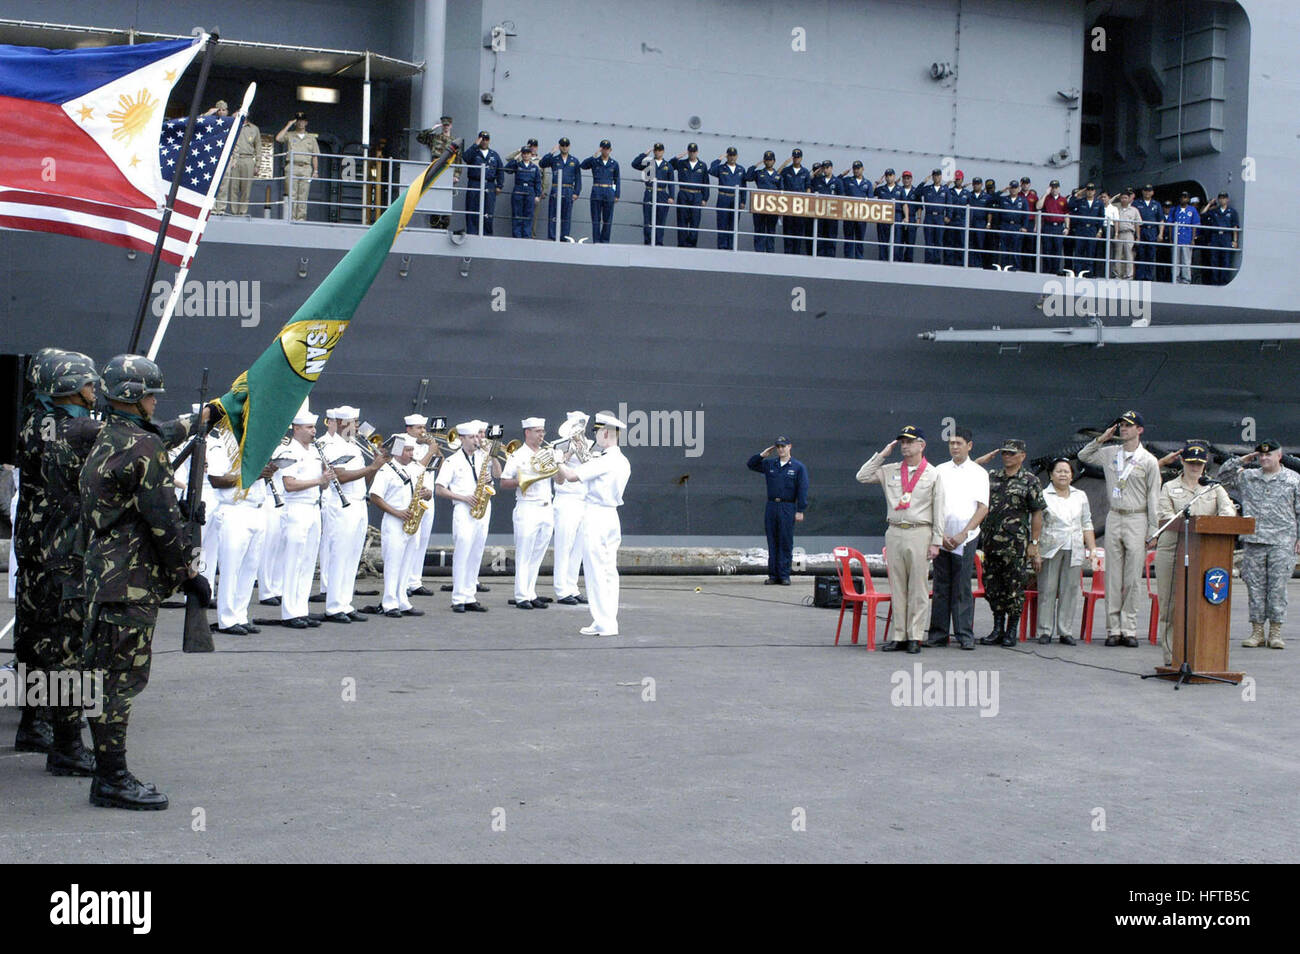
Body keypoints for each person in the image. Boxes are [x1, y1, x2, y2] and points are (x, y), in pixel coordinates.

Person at [80, 354, 210, 810]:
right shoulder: (145, 448)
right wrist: (189, 575)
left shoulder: (106, 436)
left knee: (100, 675)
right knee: (120, 681)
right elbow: (164, 523)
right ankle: (112, 779)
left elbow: (161, 434)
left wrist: (204, 417)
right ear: (136, 398)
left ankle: (104, 772)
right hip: (131, 582)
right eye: (152, 393)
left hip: (101, 575)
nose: (157, 400)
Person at [856, 425, 945, 653]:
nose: (904, 446)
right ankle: (899, 635)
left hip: (920, 531)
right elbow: (862, 476)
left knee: (918, 586)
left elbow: (939, 509)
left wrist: (936, 540)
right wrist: (883, 454)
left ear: (921, 445)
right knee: (897, 585)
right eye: (902, 442)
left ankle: (915, 635)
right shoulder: (891, 470)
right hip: (895, 530)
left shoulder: (933, 474)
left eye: (909, 441)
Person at [1078, 410, 1161, 647]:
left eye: (1129, 426)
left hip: (1137, 517)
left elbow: (1154, 496)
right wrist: (1102, 438)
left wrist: (1153, 531)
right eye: (1121, 425)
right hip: (1115, 515)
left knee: (1133, 577)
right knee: (1112, 576)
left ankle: (1130, 628)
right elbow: (1084, 455)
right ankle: (1113, 629)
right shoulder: (1109, 453)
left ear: (1140, 430)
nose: (1124, 429)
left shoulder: (1148, 461)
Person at [1153, 442, 1235, 664]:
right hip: (1172, 548)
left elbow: (1228, 511)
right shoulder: (1169, 487)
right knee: (1170, 606)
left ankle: (1199, 653)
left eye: (1199, 464)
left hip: (1205, 552)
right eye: (1191, 463)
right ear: (1182, 462)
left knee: (1201, 604)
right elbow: (1165, 515)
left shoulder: (1213, 487)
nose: (1195, 468)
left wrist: (1214, 524)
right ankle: (1172, 656)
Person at [1218, 440, 1300, 650]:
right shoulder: (1248, 476)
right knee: (1255, 588)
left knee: (1277, 588)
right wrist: (1242, 459)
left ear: (1279, 456)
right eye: (1260, 455)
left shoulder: (1293, 479)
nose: (1264, 458)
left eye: (1268, 455)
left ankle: (1275, 631)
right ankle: (1256, 631)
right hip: (1254, 540)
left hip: (1282, 542)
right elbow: (1223, 477)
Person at [556, 413, 631, 636]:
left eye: (597, 431)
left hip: (596, 515)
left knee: (596, 571)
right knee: (608, 571)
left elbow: (570, 476)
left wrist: (558, 458)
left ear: (605, 433)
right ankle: (608, 620)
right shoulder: (621, 460)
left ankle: (603, 622)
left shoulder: (605, 460)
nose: (595, 435)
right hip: (611, 517)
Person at [974, 439, 1045, 646]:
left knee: (1014, 588)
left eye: (1012, 453)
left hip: (1016, 545)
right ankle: (997, 628)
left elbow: (1037, 513)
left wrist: (1034, 543)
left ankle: (1011, 629)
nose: (1007, 457)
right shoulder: (991, 477)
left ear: (1022, 456)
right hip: (990, 544)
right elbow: (966, 472)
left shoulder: (1030, 480)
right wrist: (981, 460)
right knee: (993, 586)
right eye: (1004, 453)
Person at [320, 406, 387, 622]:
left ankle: (345, 603)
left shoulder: (355, 445)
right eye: (353, 422)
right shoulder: (331, 445)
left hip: (358, 502)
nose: (357, 426)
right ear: (341, 423)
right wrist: (371, 468)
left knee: (352, 555)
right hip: (340, 504)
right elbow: (339, 476)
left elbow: (362, 480)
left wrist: (375, 468)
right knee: (339, 555)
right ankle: (333, 606)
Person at [924, 427, 989, 650]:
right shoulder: (939, 470)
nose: (954, 447)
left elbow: (983, 508)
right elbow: (931, 504)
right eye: (951, 443)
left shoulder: (979, 473)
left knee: (962, 586)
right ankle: (938, 634)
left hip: (967, 537)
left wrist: (963, 533)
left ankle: (964, 634)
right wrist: (940, 535)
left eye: (958, 443)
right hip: (942, 536)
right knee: (941, 585)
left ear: (969, 446)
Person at [206, 426, 274, 635]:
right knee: (231, 568)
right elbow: (216, 480)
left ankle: (240, 614)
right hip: (234, 510)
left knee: (250, 567)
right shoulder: (221, 447)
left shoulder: (256, 448)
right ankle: (226, 619)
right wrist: (251, 474)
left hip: (256, 508)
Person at [278, 406, 334, 629]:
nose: (314, 431)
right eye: (310, 427)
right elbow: (289, 484)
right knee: (294, 561)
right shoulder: (289, 451)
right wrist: (318, 481)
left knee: (309, 561)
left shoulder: (314, 452)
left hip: (313, 507)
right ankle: (290, 612)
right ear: (297, 428)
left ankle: (302, 608)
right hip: (296, 509)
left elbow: (323, 484)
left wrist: (327, 478)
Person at [435, 421, 498, 612]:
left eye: (476, 436)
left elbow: (498, 474)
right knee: (462, 551)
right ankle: (458, 598)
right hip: (463, 508)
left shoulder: (483, 457)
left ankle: (470, 595)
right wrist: (463, 497)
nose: (475, 440)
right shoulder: (452, 461)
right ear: (461, 438)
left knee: (476, 552)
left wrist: (493, 457)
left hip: (482, 507)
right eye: (470, 437)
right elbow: (439, 489)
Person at [369, 436, 432, 618]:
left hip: (413, 520)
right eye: (407, 450)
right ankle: (389, 602)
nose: (411, 454)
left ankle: (402, 599)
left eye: (412, 450)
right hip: (394, 521)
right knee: (393, 562)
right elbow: (375, 497)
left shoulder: (417, 469)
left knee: (407, 562)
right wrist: (397, 512)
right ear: (397, 451)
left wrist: (427, 493)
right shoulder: (386, 470)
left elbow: (428, 493)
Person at [1036, 457, 1096, 646]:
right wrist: (1035, 548)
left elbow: (1087, 523)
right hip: (1050, 548)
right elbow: (1036, 524)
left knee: (1070, 590)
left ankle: (1065, 630)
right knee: (1047, 589)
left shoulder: (1080, 495)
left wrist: (1092, 548)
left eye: (1067, 471)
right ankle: (1045, 631)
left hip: (1075, 547)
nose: (1063, 474)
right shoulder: (1044, 495)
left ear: (1072, 475)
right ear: (1051, 475)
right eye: (1059, 471)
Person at [500, 417, 556, 609]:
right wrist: (525, 479)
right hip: (527, 507)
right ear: (527, 432)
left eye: (543, 431)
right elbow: (504, 482)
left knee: (538, 554)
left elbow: (561, 480)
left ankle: (530, 592)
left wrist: (559, 461)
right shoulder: (517, 455)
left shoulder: (546, 453)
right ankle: (521, 595)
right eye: (537, 431)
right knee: (524, 554)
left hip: (547, 507)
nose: (541, 435)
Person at [747, 437, 809, 586]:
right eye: (778, 447)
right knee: (772, 541)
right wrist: (762, 455)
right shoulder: (770, 464)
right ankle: (773, 575)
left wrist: (800, 509)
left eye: (783, 446)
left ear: (789, 447)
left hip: (787, 506)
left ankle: (784, 575)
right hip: (772, 506)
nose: (781, 449)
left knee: (785, 541)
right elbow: (751, 464)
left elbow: (802, 489)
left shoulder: (798, 467)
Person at [552, 412, 590, 605]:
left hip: (584, 499)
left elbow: (592, 467)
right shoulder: (558, 445)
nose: (579, 430)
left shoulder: (591, 445)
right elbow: (556, 474)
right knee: (564, 545)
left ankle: (572, 587)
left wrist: (581, 450)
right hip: (566, 498)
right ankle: (561, 589)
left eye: (582, 425)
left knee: (579, 547)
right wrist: (568, 454)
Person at [401, 414, 440, 596]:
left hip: (427, 497)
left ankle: (415, 581)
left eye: (424, 427)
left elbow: (440, 464)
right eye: (418, 428)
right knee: (409, 541)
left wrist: (436, 449)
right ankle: (403, 581)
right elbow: (414, 468)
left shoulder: (427, 445)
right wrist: (430, 451)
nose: (423, 431)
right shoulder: (401, 442)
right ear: (408, 428)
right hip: (409, 499)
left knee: (422, 540)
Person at [416, 114, 458, 228]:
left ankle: (445, 221)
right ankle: (434, 221)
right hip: (435, 169)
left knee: (445, 196)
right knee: (435, 195)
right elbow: (420, 137)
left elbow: (458, 159)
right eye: (444, 125)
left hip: (448, 171)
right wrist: (432, 129)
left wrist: (456, 175)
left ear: (451, 126)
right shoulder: (434, 138)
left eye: (447, 125)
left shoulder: (455, 141)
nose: (445, 127)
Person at [276, 112, 318, 221]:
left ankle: (301, 219)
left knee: (303, 195)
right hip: (292, 167)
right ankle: (291, 218)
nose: (301, 123)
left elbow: (315, 156)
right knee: (292, 194)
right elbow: (278, 138)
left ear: (306, 122)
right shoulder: (290, 135)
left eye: (303, 120)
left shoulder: (311, 138)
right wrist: (288, 125)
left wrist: (315, 170)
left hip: (306, 168)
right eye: (298, 120)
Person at [631, 143, 675, 246]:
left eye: (660, 150)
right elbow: (634, 164)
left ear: (663, 151)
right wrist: (644, 154)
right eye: (656, 150)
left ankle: (658, 242)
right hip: (650, 191)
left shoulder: (668, 166)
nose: (657, 152)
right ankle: (648, 241)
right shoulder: (648, 163)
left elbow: (671, 182)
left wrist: (671, 196)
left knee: (661, 219)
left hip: (662, 193)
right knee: (648, 218)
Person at [539, 138, 582, 241]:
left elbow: (578, 178)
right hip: (556, 188)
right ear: (559, 146)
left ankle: (564, 237)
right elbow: (542, 163)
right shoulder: (554, 159)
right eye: (562, 145)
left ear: (569, 146)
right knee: (553, 213)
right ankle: (553, 236)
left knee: (566, 215)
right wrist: (551, 153)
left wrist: (576, 192)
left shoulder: (574, 161)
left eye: (566, 145)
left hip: (568, 189)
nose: (564, 147)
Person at [221, 107, 261, 215]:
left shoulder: (254, 129)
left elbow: (258, 147)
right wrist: (235, 115)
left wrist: (258, 164)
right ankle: (234, 212)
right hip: (235, 159)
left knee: (246, 188)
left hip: (248, 159)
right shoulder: (233, 125)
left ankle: (242, 212)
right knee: (233, 187)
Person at [463, 131, 503, 235]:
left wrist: (499, 185)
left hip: (489, 184)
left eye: (486, 139)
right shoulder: (474, 152)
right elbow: (466, 158)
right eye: (482, 139)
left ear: (489, 140)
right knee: (472, 209)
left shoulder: (494, 155)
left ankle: (487, 234)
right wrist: (475, 145)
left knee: (488, 211)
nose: (484, 141)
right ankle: (472, 232)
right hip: (475, 183)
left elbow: (500, 170)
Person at [580, 139, 620, 243]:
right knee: (596, 218)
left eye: (607, 149)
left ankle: (605, 240)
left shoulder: (614, 163)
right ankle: (596, 240)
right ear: (600, 149)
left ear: (610, 150)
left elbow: (617, 180)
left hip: (609, 191)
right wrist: (594, 155)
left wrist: (616, 194)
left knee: (608, 219)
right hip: (597, 190)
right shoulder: (595, 161)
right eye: (603, 148)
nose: (605, 151)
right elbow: (583, 166)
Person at [672, 143, 710, 248]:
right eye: (690, 151)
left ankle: (692, 244)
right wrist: (676, 158)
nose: (692, 153)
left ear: (697, 152)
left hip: (697, 195)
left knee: (695, 220)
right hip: (684, 193)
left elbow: (706, 182)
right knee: (682, 219)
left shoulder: (702, 165)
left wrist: (705, 198)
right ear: (688, 152)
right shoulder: (681, 163)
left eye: (694, 152)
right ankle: (682, 244)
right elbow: (669, 165)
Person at [710, 147, 747, 250]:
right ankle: (722, 246)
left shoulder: (741, 169)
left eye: (733, 155)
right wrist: (719, 159)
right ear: (727, 156)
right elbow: (711, 170)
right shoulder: (721, 168)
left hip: (736, 199)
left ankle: (731, 246)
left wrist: (743, 201)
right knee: (722, 223)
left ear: (737, 156)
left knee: (733, 224)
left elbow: (744, 186)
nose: (732, 157)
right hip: (723, 197)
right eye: (730, 155)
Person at [1201, 192, 1241, 285]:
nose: (1222, 200)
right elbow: (1203, 214)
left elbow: (1235, 226)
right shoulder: (1215, 211)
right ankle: (1215, 281)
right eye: (1220, 198)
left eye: (1224, 198)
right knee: (1214, 260)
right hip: (1215, 237)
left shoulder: (1232, 212)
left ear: (1227, 199)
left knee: (1226, 260)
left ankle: (1224, 281)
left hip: (1226, 237)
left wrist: (1235, 240)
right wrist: (1210, 204)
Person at [504, 144, 543, 238]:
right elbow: (507, 169)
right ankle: (517, 235)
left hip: (530, 191)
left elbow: (538, 182)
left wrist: (537, 195)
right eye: (524, 153)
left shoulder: (534, 167)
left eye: (528, 153)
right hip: (518, 189)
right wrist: (516, 156)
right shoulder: (517, 165)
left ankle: (527, 236)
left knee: (528, 214)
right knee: (517, 214)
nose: (526, 155)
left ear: (530, 154)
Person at [747, 150, 782, 253]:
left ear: (774, 161)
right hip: (760, 204)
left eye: (770, 160)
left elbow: (782, 192)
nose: (768, 162)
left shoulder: (778, 176)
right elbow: (748, 176)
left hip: (773, 206)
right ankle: (759, 250)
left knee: (771, 229)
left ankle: (770, 250)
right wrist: (756, 165)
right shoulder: (759, 173)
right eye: (766, 160)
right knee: (759, 228)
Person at [779, 149, 811, 254]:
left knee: (798, 232)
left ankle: (796, 253)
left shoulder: (805, 172)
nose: (796, 159)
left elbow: (808, 188)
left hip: (800, 206)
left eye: (798, 157)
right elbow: (777, 176)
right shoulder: (786, 171)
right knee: (787, 231)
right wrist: (784, 164)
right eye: (794, 157)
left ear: (801, 158)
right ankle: (787, 253)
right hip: (788, 205)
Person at [1068, 182, 1104, 276]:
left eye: (1092, 190)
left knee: (1090, 252)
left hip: (1092, 229)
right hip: (1081, 229)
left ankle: (1089, 272)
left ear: (1094, 191)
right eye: (1088, 190)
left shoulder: (1098, 203)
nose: (1090, 192)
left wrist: (1099, 230)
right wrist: (1077, 194)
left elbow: (1101, 217)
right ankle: (1077, 271)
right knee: (1079, 251)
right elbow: (1070, 205)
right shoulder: (1081, 201)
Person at [839, 160, 873, 259]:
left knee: (860, 238)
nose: (856, 171)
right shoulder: (847, 181)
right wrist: (842, 175)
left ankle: (859, 257)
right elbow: (835, 181)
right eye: (855, 169)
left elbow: (870, 199)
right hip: (849, 214)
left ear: (863, 169)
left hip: (861, 215)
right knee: (848, 237)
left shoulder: (867, 183)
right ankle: (848, 257)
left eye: (858, 169)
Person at [809, 160, 841, 257]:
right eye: (824, 168)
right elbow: (808, 182)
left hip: (832, 214)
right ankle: (819, 255)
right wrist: (814, 173)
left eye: (827, 168)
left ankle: (830, 256)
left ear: (831, 168)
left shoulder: (837, 182)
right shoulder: (817, 180)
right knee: (819, 236)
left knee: (831, 236)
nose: (825, 170)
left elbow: (842, 197)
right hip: (820, 214)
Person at [917, 168, 949, 265]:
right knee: (929, 241)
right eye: (934, 175)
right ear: (932, 177)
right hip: (929, 217)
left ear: (941, 177)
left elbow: (949, 203)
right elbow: (917, 192)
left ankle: (937, 262)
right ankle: (929, 262)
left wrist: (948, 216)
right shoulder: (927, 189)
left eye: (938, 175)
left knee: (939, 241)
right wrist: (923, 182)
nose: (936, 177)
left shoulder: (945, 190)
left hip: (940, 217)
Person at [1167, 191, 1200, 284]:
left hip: (1187, 238)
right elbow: (1170, 225)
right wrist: (1170, 238)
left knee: (1186, 260)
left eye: (1185, 197)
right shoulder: (1174, 209)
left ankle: (1186, 279)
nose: (1183, 199)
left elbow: (1194, 225)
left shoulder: (1192, 210)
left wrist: (1193, 239)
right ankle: (1175, 278)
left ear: (1188, 199)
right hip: (1176, 238)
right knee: (1175, 260)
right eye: (1182, 197)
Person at [1133, 183, 1164, 281]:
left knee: (1151, 254)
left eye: (1149, 191)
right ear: (1142, 192)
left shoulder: (1156, 204)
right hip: (1141, 230)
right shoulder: (1137, 203)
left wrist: (1160, 234)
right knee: (1141, 254)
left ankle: (1149, 276)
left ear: (1152, 192)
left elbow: (1161, 220)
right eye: (1146, 191)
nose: (1147, 193)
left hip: (1152, 230)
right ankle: (1141, 276)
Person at [874, 168, 905, 262]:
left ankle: (895, 261)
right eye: (887, 175)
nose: (888, 177)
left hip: (896, 216)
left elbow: (904, 204)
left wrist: (906, 217)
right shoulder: (881, 189)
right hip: (883, 217)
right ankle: (883, 261)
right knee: (883, 242)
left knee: (896, 242)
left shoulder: (900, 189)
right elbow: (870, 193)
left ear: (894, 176)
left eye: (890, 175)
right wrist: (876, 184)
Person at [1038, 179, 1069, 275]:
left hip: (1058, 227)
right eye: (1052, 188)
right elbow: (1038, 206)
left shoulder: (1063, 200)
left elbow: (1066, 214)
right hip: (1048, 226)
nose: (1054, 189)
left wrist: (1067, 227)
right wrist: (1045, 194)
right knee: (1047, 249)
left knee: (1057, 249)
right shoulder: (1046, 198)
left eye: (1056, 187)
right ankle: (1047, 270)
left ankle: (1055, 271)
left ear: (1059, 188)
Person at [998, 179, 1029, 270]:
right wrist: (1003, 190)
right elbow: (994, 198)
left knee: (1016, 249)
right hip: (1005, 226)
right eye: (1012, 188)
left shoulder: (1022, 201)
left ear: (1018, 189)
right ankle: (1004, 267)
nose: (1013, 190)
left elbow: (1026, 215)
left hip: (1016, 226)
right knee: (1004, 249)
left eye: (1015, 188)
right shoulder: (1004, 199)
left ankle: (1016, 267)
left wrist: (1024, 227)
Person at [1111, 189, 1141, 280]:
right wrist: (1116, 196)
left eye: (1126, 198)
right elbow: (1108, 203)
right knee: (1118, 254)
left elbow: (1137, 224)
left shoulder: (1134, 210)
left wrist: (1138, 237)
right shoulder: (1116, 208)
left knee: (1129, 255)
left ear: (1129, 199)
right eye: (1122, 197)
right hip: (1119, 233)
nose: (1124, 199)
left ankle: (1129, 275)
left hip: (1129, 233)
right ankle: (1117, 274)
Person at [944, 170, 971, 266]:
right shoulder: (949, 192)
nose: (957, 181)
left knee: (961, 243)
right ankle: (949, 262)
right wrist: (947, 185)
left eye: (959, 179)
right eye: (956, 179)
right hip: (951, 220)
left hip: (961, 220)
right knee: (949, 242)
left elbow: (970, 208)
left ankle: (960, 263)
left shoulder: (967, 193)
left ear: (962, 180)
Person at [969, 177, 997, 268]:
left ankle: (979, 264)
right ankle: (971, 264)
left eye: (978, 184)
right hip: (971, 222)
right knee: (970, 244)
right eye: (975, 184)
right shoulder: (969, 195)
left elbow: (989, 212)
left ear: (981, 185)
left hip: (981, 223)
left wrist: (988, 223)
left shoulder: (987, 197)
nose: (976, 185)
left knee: (980, 244)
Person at [897, 171, 919, 262]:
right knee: (899, 241)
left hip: (912, 218)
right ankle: (898, 260)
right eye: (905, 178)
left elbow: (919, 207)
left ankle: (908, 261)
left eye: (908, 178)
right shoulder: (898, 190)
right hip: (900, 217)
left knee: (910, 242)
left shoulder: (915, 191)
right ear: (902, 179)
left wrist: (918, 218)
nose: (906, 180)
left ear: (911, 179)